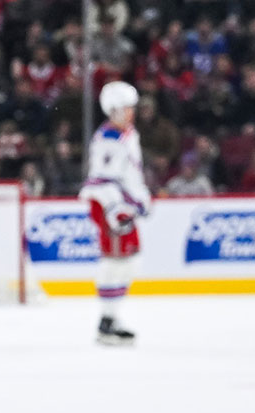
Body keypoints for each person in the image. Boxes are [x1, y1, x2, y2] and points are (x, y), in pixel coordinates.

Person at [79, 81, 151, 345]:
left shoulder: (128, 134)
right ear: (112, 110)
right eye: (125, 108)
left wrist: (140, 198)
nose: (131, 113)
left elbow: (132, 173)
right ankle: (106, 322)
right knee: (115, 262)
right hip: (110, 206)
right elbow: (101, 180)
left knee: (130, 261)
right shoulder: (108, 139)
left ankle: (112, 317)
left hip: (123, 205)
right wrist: (114, 208)